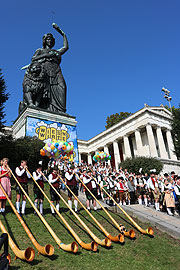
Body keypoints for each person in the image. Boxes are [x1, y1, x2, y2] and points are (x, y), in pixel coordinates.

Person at [31, 23, 69, 113]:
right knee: (44, 92)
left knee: (62, 87)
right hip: (45, 72)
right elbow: (33, 59)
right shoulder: (40, 50)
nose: (50, 41)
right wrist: (46, 55)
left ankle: (61, 111)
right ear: (44, 40)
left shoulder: (56, 52)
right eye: (48, 39)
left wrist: (62, 33)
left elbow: (66, 47)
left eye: (51, 39)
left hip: (56, 71)